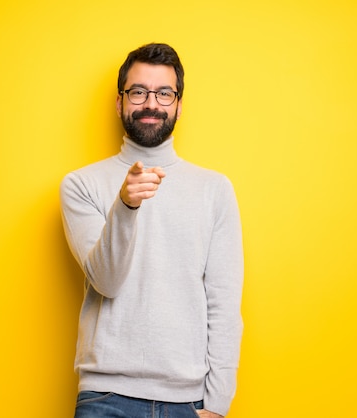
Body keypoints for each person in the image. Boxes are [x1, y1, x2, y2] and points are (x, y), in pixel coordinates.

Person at [60, 43, 244, 418]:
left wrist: (219, 404)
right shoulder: (81, 184)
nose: (151, 104)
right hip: (105, 397)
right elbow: (107, 282)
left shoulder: (214, 189)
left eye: (164, 93)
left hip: (189, 402)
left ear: (178, 104)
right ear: (120, 102)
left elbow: (223, 304)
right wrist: (125, 207)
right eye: (138, 92)